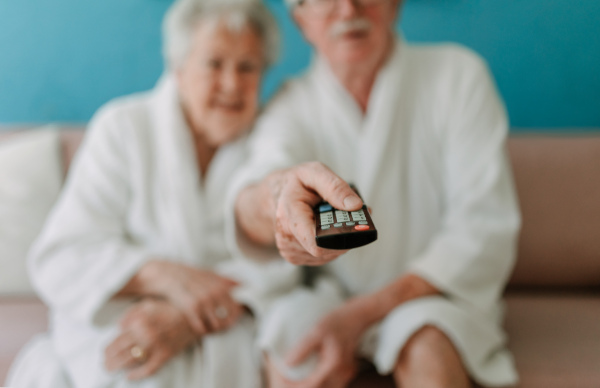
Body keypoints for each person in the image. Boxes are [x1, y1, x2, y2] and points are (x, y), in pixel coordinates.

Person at [227, 0, 521, 387]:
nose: (348, 10)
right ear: (302, 21)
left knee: (425, 342)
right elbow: (254, 191)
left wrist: (362, 315)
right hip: (330, 294)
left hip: (433, 294)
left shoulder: (458, 75)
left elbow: (483, 227)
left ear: (395, 5)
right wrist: (279, 199)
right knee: (289, 340)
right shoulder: (290, 105)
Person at [6, 1, 281, 387]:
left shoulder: (271, 144)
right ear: (179, 68)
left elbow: (284, 269)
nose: (233, 84)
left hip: (225, 328)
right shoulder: (123, 128)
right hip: (122, 313)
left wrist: (188, 315)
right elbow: (62, 255)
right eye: (215, 64)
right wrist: (161, 276)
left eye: (248, 67)